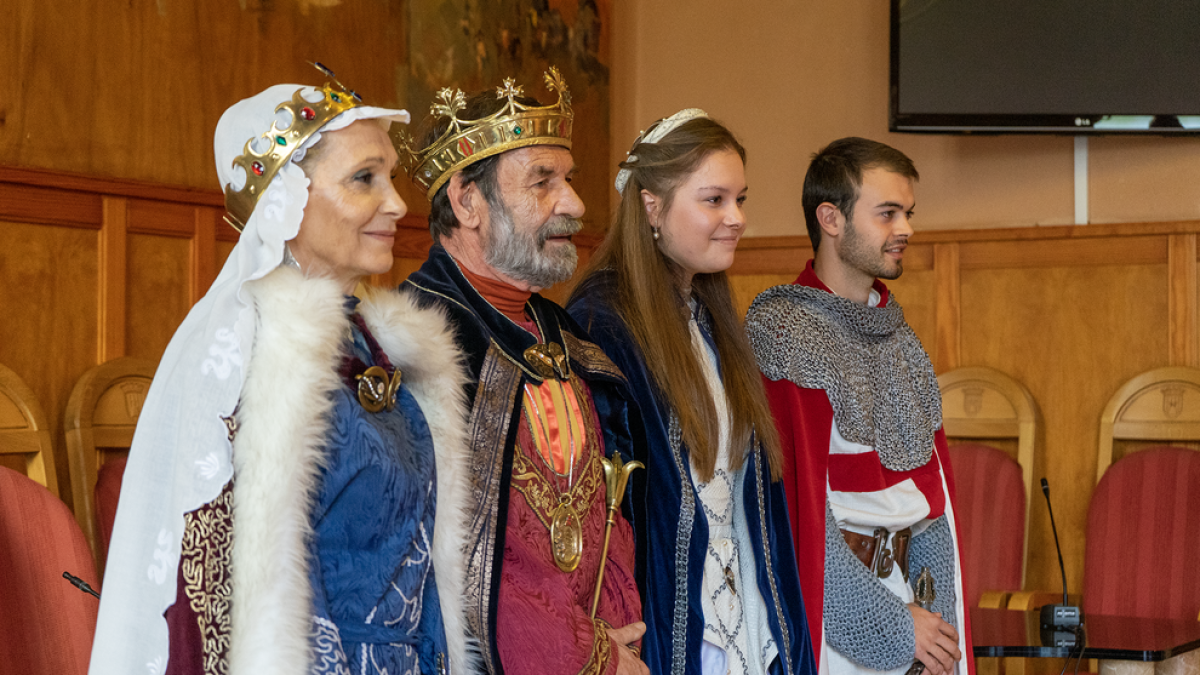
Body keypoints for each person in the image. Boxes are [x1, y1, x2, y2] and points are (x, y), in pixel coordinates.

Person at [89, 77, 475, 675]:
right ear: (284, 199)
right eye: (364, 178)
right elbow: (236, 600)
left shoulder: (375, 344)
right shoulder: (247, 356)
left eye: (392, 176)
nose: (398, 203)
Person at [396, 68, 645, 675]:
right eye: (543, 182)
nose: (576, 205)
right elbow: (455, 563)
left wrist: (618, 631)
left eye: (569, 180)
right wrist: (589, 656)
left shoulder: (567, 336)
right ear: (467, 200)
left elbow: (609, 510)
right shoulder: (414, 345)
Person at [567, 109, 818, 675]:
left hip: (744, 611)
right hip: (670, 626)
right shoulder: (601, 323)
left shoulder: (709, 315)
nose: (736, 218)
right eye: (714, 200)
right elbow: (599, 514)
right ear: (652, 205)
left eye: (741, 199)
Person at [744, 137, 972, 675]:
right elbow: (794, 512)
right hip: (832, 622)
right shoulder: (785, 335)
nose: (907, 229)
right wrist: (892, 626)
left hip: (913, 610)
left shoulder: (898, 338)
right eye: (887, 213)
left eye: (909, 213)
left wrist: (935, 624)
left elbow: (930, 501)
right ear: (831, 218)